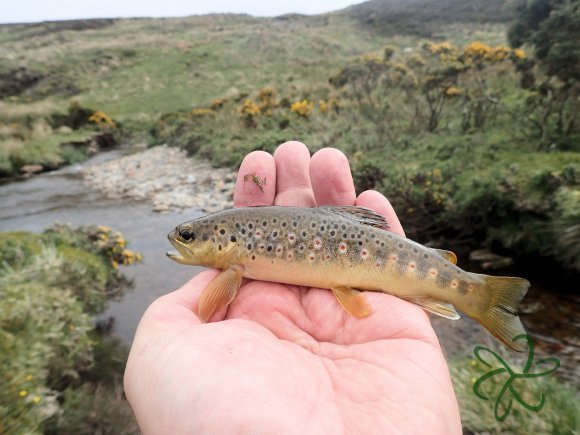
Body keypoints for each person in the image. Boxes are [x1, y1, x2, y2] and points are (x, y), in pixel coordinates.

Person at [124, 141, 462, 434]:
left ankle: (475, 293)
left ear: (224, 239)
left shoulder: (234, 266)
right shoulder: (234, 262)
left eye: (188, 237)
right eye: (187, 236)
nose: (182, 240)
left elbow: (211, 302)